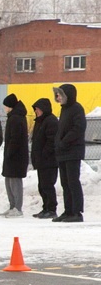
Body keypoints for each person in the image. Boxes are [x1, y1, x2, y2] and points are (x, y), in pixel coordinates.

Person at [53, 83, 86, 222]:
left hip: (73, 151)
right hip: (63, 152)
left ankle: (76, 212)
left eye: (60, 94)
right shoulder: (64, 110)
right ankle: (68, 210)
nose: (58, 97)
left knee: (73, 182)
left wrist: (64, 141)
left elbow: (78, 128)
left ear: (68, 95)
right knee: (65, 183)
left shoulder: (77, 109)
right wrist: (58, 142)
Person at [30, 97, 59, 219]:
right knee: (42, 185)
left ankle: (51, 209)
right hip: (41, 160)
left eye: (38, 109)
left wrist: (43, 154)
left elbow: (51, 141)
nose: (36, 111)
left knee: (48, 185)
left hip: (49, 161)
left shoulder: (51, 121)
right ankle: (45, 207)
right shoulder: (39, 121)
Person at [0, 93, 29, 218]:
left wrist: (10, 152)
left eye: (5, 106)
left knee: (15, 181)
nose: (4, 108)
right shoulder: (13, 117)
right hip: (11, 155)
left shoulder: (16, 118)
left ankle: (17, 207)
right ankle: (12, 206)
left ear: (10, 106)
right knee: (8, 179)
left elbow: (15, 139)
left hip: (16, 156)